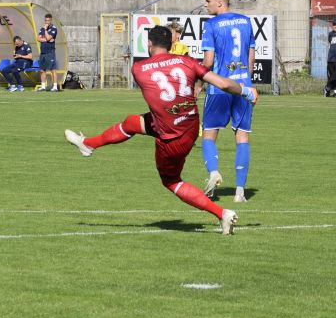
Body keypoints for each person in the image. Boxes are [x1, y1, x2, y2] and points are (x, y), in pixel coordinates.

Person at [64, 24, 257, 236]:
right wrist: (247, 92)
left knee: (171, 181)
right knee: (131, 123)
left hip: (171, 137)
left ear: (149, 43)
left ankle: (222, 213)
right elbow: (224, 84)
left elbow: (157, 89)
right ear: (171, 44)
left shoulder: (138, 69)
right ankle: (88, 144)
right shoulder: (188, 62)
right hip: (191, 126)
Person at [200, 0, 254, 203]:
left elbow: (208, 62)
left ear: (220, 2)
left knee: (208, 135)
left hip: (219, 87)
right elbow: (250, 55)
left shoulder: (211, 25)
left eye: (208, 1)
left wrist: (198, 83)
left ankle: (214, 173)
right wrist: (246, 84)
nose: (206, 4)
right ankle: (240, 192)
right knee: (242, 137)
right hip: (243, 87)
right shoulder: (246, 22)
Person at [36, 13, 59, 92]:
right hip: (43, 52)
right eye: (45, 20)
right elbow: (38, 38)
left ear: (51, 20)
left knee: (53, 69)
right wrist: (46, 39)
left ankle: (55, 87)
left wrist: (45, 31)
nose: (46, 22)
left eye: (48, 20)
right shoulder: (42, 29)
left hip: (50, 52)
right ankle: (43, 86)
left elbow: (49, 38)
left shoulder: (54, 29)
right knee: (42, 70)